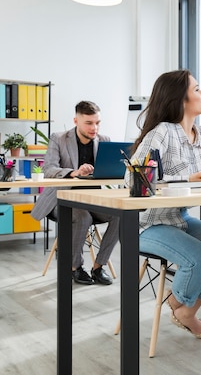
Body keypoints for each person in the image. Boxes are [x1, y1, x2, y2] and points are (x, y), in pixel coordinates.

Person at [127, 69, 201, 339]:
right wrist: (186, 178)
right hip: (146, 224)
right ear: (180, 99)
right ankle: (183, 305)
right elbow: (133, 176)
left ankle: (182, 308)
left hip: (179, 219)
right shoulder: (162, 132)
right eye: (197, 89)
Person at [31, 101, 119, 285]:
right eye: (89, 123)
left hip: (92, 200)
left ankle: (98, 267)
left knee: (120, 215)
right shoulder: (59, 138)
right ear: (76, 120)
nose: (94, 127)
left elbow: (110, 170)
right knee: (82, 216)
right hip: (61, 200)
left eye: (97, 122)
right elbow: (48, 169)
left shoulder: (104, 141)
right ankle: (75, 267)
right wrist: (74, 172)